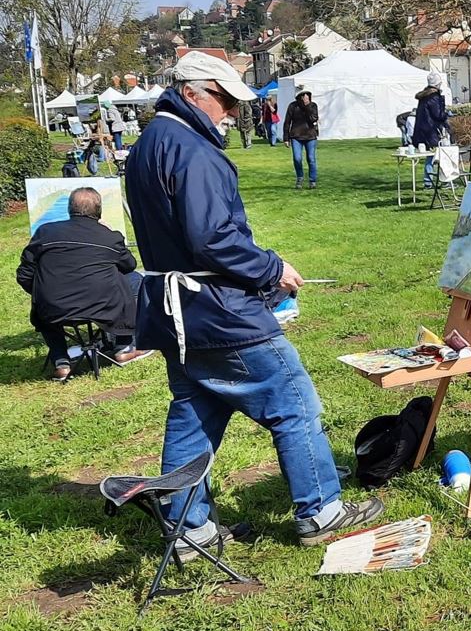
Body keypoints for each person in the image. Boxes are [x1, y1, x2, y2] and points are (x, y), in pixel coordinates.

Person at [124, 50, 383, 557]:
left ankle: (187, 530)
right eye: (223, 100)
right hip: (216, 309)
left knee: (195, 413)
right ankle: (321, 511)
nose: (230, 112)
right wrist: (272, 269)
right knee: (295, 404)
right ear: (192, 91)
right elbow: (212, 238)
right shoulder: (191, 149)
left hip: (175, 312)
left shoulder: (149, 142)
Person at [16, 187, 148, 381]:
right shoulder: (109, 236)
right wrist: (109, 231)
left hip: (54, 308)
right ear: (99, 211)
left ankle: (61, 360)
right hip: (104, 306)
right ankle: (124, 345)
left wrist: (43, 292)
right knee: (135, 280)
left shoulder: (45, 232)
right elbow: (129, 265)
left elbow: (24, 274)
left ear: (70, 209)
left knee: (43, 295)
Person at [412, 71, 451, 187]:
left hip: (422, 131)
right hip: (432, 131)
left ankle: (428, 180)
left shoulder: (423, 97)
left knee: (430, 156)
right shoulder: (434, 97)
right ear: (437, 84)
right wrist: (446, 114)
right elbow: (438, 115)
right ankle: (445, 180)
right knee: (443, 155)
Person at [284, 88, 319, 189]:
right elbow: (287, 122)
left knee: (311, 159)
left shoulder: (313, 106)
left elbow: (313, 119)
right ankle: (300, 177)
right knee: (297, 158)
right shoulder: (293, 106)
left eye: (307, 95)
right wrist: (286, 138)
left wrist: (307, 106)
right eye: (303, 95)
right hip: (296, 136)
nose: (305, 97)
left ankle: (312, 180)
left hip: (310, 136)